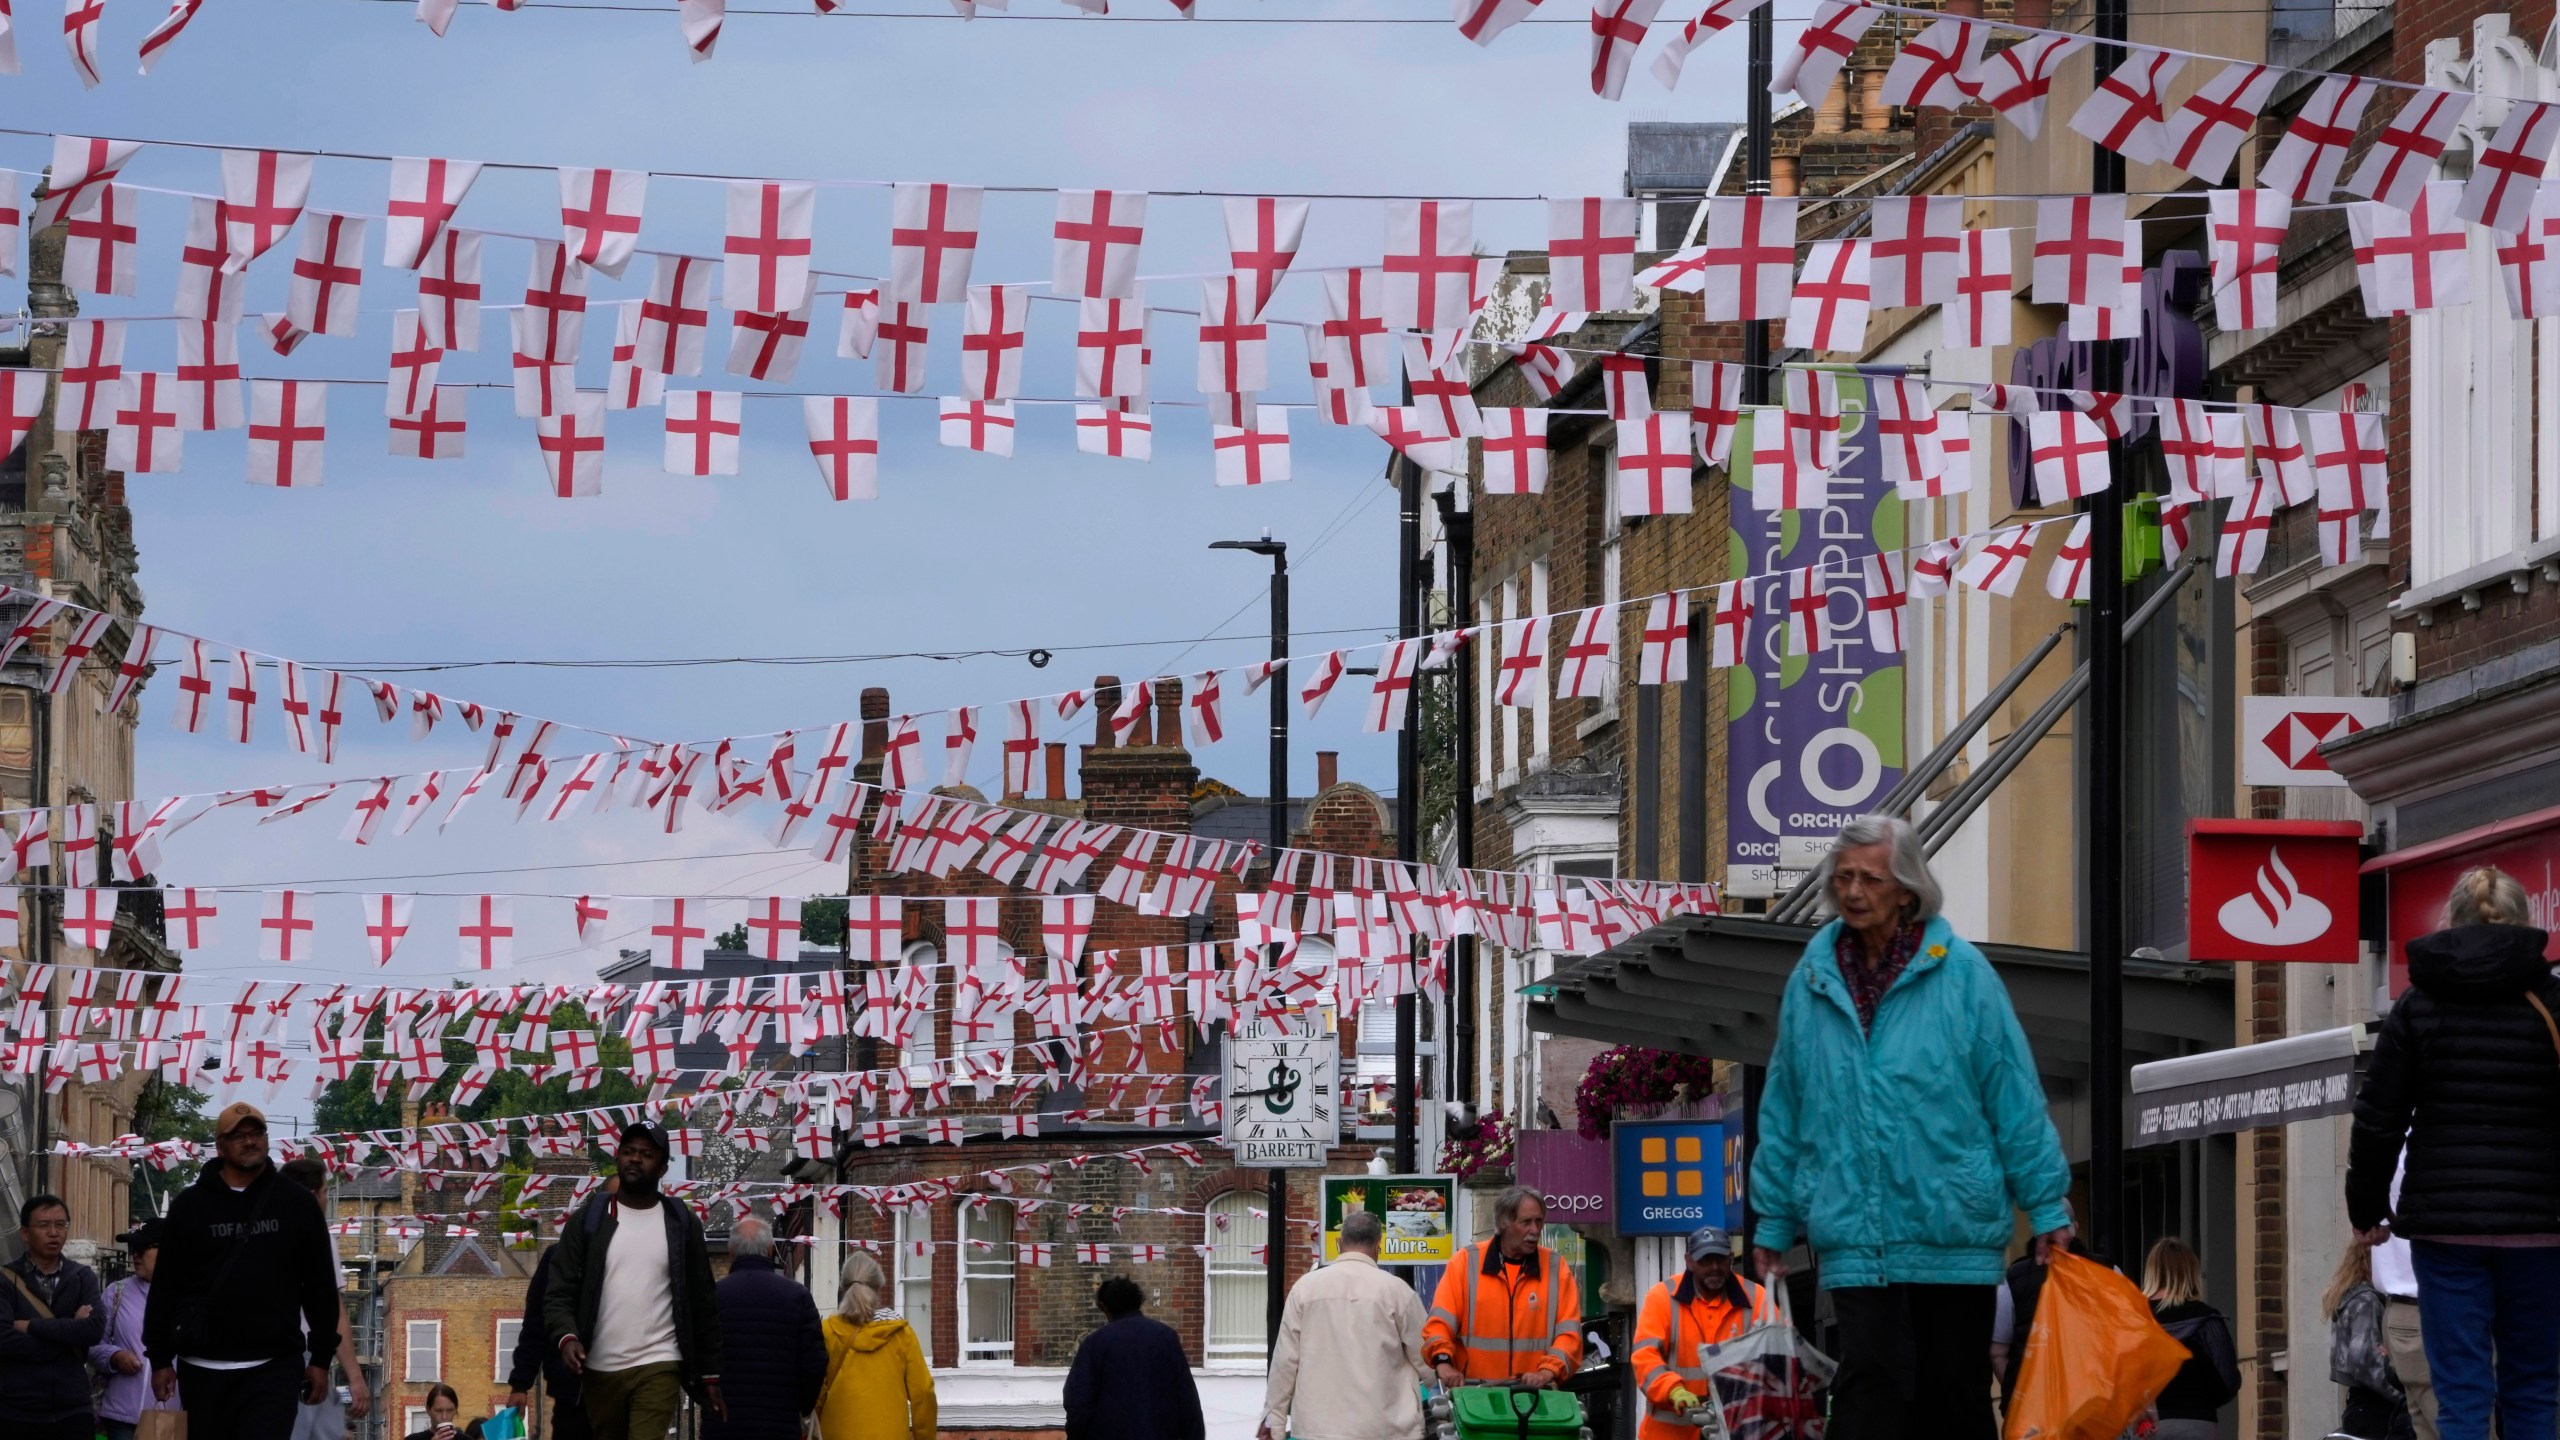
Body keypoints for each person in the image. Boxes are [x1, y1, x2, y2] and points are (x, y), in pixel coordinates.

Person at [1749, 815, 2073, 1440]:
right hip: (1855, 1233)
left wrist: (2047, 1203)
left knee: (1953, 1399)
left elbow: (2012, 1093)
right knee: (1867, 1395)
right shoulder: (1811, 983)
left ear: (1907, 888)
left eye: (1870, 878)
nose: (1853, 891)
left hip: (1951, 1231)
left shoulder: (1964, 977)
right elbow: (1785, 1105)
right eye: (1842, 877)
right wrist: (1773, 1219)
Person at [2346, 865, 2560, 1440]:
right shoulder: (2551, 1003)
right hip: (2540, 1225)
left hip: (2447, 1230)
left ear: (2450, 922)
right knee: (2535, 1386)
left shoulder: (2419, 1007)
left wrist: (2365, 1209)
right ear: (2525, 922)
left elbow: (2379, 1118)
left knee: (2462, 1393)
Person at [145, 1101, 343, 1440]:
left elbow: (319, 1286)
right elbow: (166, 1286)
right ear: (220, 1146)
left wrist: (322, 1358)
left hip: (274, 1368)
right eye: (238, 1136)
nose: (250, 1141)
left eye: (257, 1133)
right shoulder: (189, 1207)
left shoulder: (296, 1205)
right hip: (203, 1369)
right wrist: (160, 1358)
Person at [543, 1120, 725, 1440]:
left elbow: (702, 1299)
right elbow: (559, 1291)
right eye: (628, 1151)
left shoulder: (681, 1224)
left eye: (646, 1154)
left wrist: (710, 1374)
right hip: (599, 1369)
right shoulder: (589, 1222)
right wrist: (567, 1336)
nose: (635, 1159)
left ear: (663, 1167)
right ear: (618, 1157)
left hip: (660, 1362)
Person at [1259, 1208, 1431, 1440]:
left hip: (1317, 1428)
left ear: (1339, 1243)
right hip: (1385, 1428)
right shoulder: (1398, 1292)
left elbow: (1284, 1361)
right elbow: (1427, 1357)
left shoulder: (1305, 1288)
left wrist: (1274, 1420)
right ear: (1378, 1244)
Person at [1422, 1186, 1584, 1387]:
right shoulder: (1466, 1262)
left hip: (1536, 1395)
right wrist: (1444, 1363)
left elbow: (1570, 1335)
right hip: (1476, 1394)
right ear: (1503, 1223)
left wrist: (1546, 1372)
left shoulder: (1555, 1267)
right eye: (1526, 1222)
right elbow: (1439, 1324)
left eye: (1539, 1221)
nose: (1535, 1230)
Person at [1630, 1225, 1781, 1440]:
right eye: (1705, 1261)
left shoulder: (1757, 1298)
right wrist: (1673, 1390)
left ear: (1731, 1258)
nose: (1714, 1267)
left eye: (1720, 1260)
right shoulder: (1662, 1298)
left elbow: (1782, 1357)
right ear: (1689, 1260)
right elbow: (1645, 1358)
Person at [704, 1216, 825, 1440]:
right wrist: (801, 1406)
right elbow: (814, 1363)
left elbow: (695, 1357)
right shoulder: (797, 1296)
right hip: (779, 1423)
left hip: (722, 1424)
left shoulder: (711, 1299)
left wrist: (707, 1400)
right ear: (770, 1250)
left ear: (731, 1252)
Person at [279, 1155, 372, 1440]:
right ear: (310, 1196)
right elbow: (335, 1312)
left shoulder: (264, 1233)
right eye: (324, 1193)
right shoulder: (317, 1235)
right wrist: (355, 1378)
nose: (326, 1200)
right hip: (307, 1357)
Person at [2, 1193, 104, 1440]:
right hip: (18, 1409)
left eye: (61, 1225)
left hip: (73, 1408)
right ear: (25, 1233)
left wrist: (32, 1326)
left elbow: (93, 1330)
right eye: (44, 1225)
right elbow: (4, 1339)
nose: (54, 1232)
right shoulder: (6, 1280)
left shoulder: (82, 1277)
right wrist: (69, 1333)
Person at [1061, 1276, 1204, 1440]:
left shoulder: (1095, 1343)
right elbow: (1187, 1398)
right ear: (1138, 1302)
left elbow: (1078, 1400)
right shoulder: (1166, 1337)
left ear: (1104, 1307)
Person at [815, 1251, 934, 1440]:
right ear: (878, 1287)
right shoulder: (900, 1333)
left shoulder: (827, 1332)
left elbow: (816, 1391)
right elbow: (923, 1393)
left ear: (843, 1288)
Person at [2139, 1238, 2240, 1440]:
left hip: (2146, 1426)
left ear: (2151, 1272)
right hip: (2196, 1423)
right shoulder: (2206, 1319)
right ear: (2190, 1272)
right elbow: (2227, 1381)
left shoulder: (2135, 1318)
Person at [92, 1222, 179, 1440]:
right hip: (120, 1414)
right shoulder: (116, 1292)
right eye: (133, 1249)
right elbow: (93, 1343)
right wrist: (114, 1356)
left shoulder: (189, 1296)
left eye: (143, 1248)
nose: (135, 1255)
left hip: (167, 1412)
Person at [2372, 1158, 2438, 1440]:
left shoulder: (2383, 1148)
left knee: (2428, 1427)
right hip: (2429, 1307)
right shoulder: (2418, 1144)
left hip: (2403, 1310)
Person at [2325, 1237, 2415, 1440]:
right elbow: (2364, 1362)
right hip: (2375, 1408)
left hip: (2362, 1405)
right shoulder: (2367, 1299)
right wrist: (2407, 1400)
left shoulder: (2352, 1297)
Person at [504, 1242, 586, 1440]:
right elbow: (535, 1323)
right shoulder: (558, 1255)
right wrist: (520, 1384)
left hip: (620, 1384)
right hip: (572, 1392)